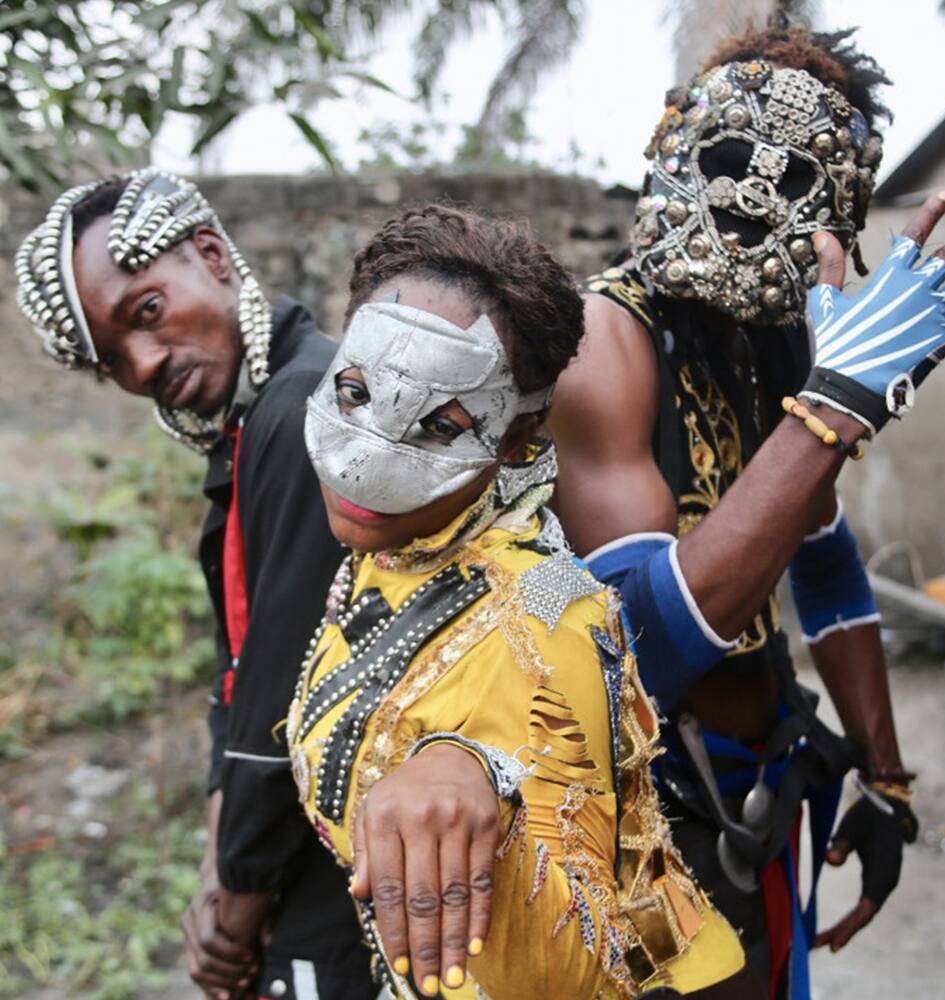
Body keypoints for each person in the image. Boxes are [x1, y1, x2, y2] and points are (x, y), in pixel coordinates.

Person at [548, 24, 945, 1000]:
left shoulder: (781, 345)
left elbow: (823, 557)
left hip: (765, 792)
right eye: (729, 162)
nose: (747, 206)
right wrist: (832, 408)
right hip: (637, 827)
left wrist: (885, 777)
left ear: (841, 213)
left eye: (790, 186)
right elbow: (640, 644)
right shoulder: (601, 342)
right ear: (672, 155)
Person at [286, 204, 764, 999]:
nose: (366, 461)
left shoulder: (551, 612)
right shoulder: (393, 550)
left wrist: (473, 768)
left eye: (440, 425)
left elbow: (525, 719)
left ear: (519, 438)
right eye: (355, 390)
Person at [14, 169, 377, 1000]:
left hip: (352, 885)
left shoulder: (300, 415)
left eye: (145, 313)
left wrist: (234, 910)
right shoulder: (257, 425)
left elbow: (281, 707)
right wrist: (220, 874)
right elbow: (237, 681)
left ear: (212, 255)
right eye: (109, 358)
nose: (141, 366)